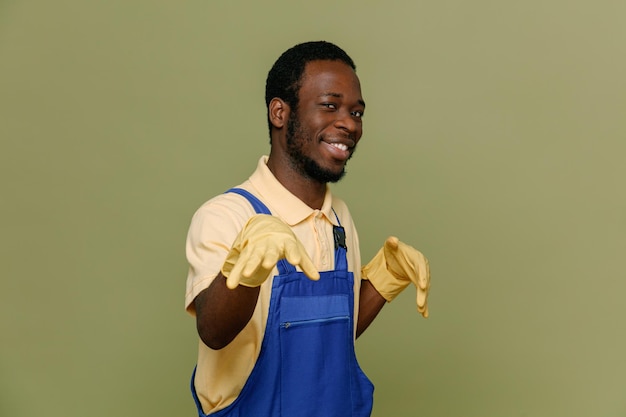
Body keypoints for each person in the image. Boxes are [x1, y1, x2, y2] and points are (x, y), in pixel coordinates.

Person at [184, 40, 431, 417]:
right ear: (280, 112)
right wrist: (245, 271)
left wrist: (383, 280)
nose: (349, 123)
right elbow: (213, 333)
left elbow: (329, 341)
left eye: (357, 112)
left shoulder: (338, 219)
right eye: (330, 106)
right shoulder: (226, 215)